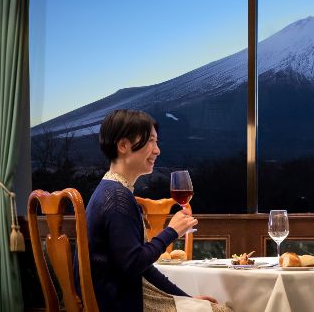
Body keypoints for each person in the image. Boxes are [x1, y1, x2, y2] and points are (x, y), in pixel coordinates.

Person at [75, 109, 230, 312]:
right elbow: (133, 263)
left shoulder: (109, 190)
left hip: (117, 297)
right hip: (120, 303)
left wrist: (187, 299)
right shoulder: (117, 198)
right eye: (150, 141)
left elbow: (143, 267)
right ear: (123, 145)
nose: (157, 150)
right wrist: (171, 232)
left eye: (156, 142)